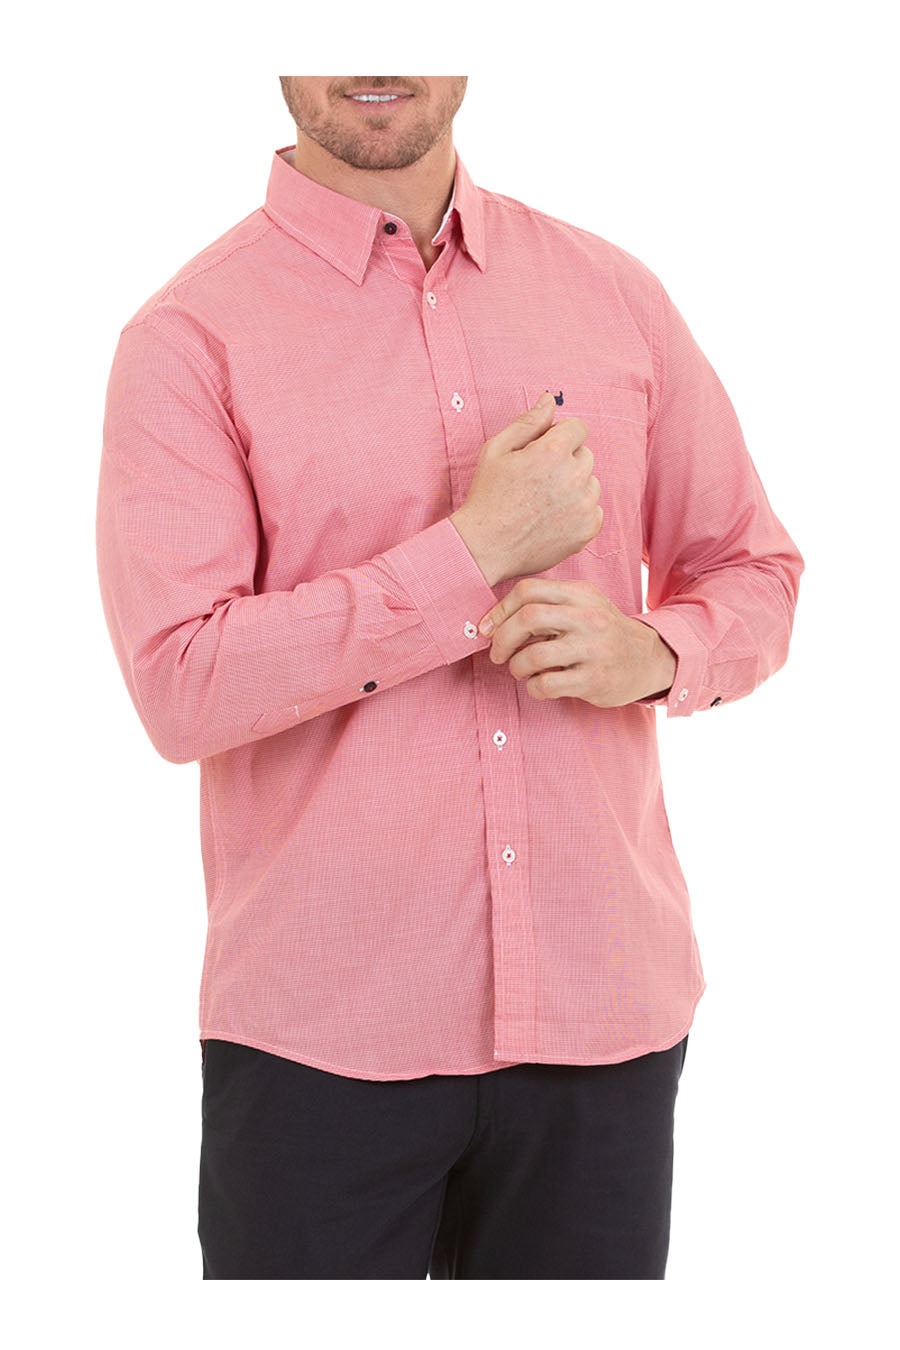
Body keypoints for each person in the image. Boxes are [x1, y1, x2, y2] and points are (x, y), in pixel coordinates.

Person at [95, 76, 804, 1280]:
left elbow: (755, 567)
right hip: (322, 1041)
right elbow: (181, 680)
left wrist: (656, 654)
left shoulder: (613, 292)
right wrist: (469, 557)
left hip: (602, 1014)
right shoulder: (189, 337)